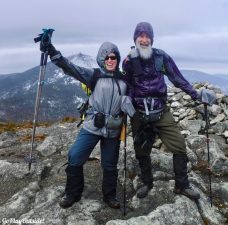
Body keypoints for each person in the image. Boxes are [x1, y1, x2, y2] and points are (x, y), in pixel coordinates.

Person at [122, 22, 216, 199]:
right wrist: (126, 99)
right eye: (140, 36)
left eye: (147, 36)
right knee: (141, 149)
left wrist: (196, 94)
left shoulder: (161, 57)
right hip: (139, 113)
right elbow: (127, 84)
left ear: (152, 39)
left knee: (179, 145)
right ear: (135, 39)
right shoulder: (128, 61)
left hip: (160, 111)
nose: (144, 39)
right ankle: (147, 183)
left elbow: (177, 78)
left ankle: (182, 185)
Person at [42, 41, 135, 209]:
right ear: (101, 59)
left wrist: (130, 104)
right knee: (75, 156)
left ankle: (110, 196)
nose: (110, 60)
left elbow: (138, 91)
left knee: (109, 164)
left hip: (113, 129)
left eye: (113, 57)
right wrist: (52, 51)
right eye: (106, 57)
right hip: (93, 126)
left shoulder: (124, 81)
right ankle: (73, 194)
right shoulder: (94, 75)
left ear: (117, 59)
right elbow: (70, 67)